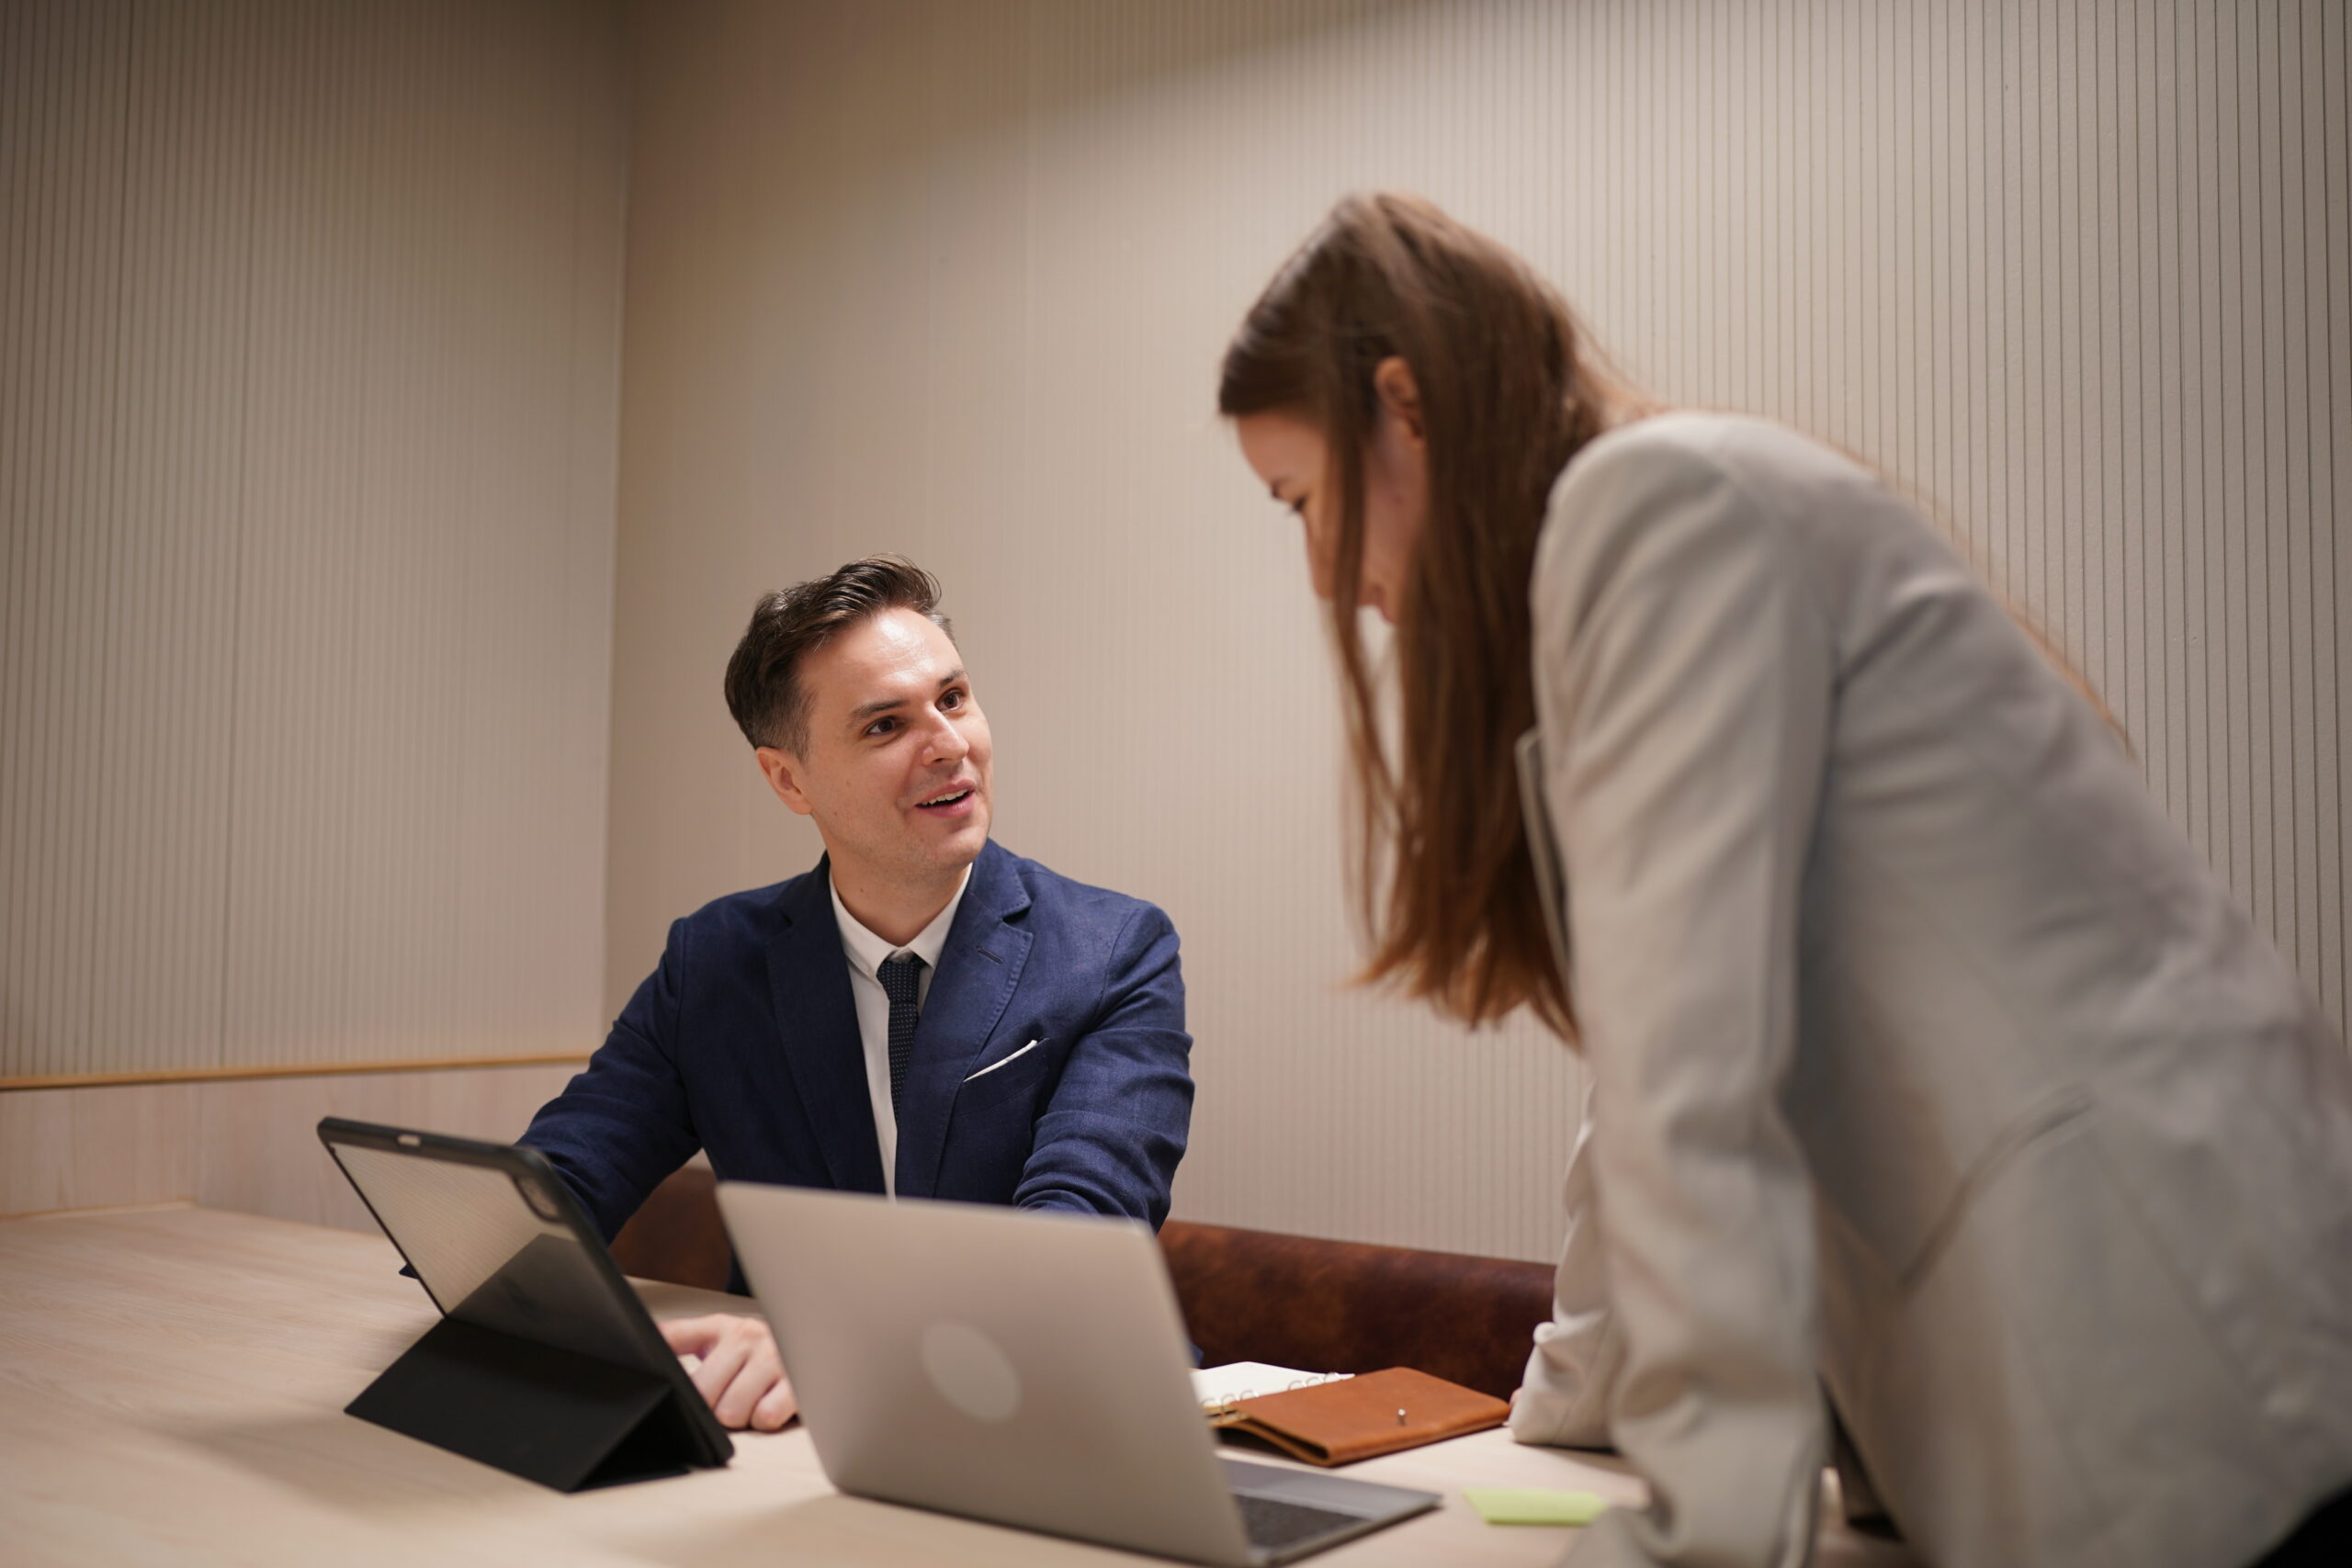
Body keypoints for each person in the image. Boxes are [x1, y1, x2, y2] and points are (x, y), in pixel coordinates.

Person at [1218, 192, 2352, 1568]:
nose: (1327, 576)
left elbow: (1695, 1089)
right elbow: (1663, 1069)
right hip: (2113, 1337)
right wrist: (1572, 1414)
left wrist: (1701, 1530)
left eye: (1304, 499)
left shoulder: (1651, 505)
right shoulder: (1672, 513)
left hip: (2169, 1331)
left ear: (1404, 406)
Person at [519, 556, 1194, 1433]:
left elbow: (1077, 1241)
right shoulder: (715, 960)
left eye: (953, 698)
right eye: (885, 725)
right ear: (788, 779)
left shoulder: (1113, 950)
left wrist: (834, 1340)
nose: (949, 743)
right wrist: (497, 1262)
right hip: (784, 1426)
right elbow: (567, 1175)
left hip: (1054, 1410)